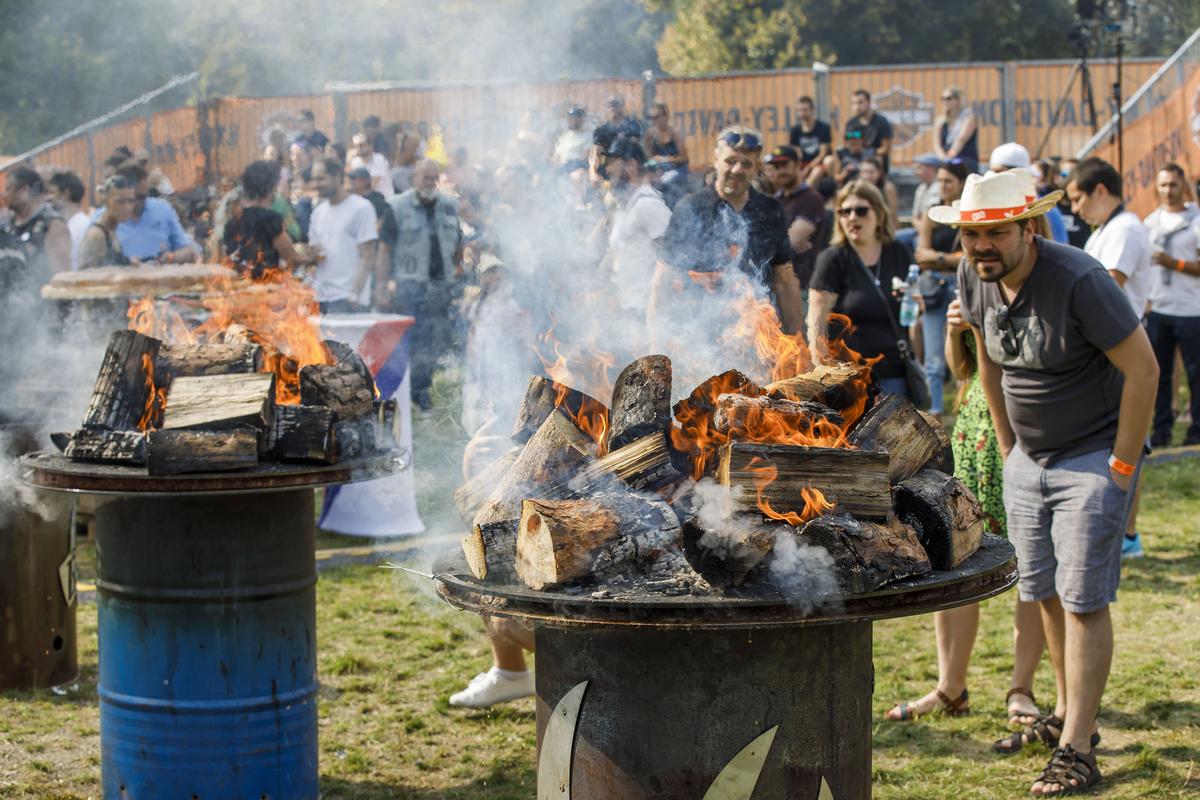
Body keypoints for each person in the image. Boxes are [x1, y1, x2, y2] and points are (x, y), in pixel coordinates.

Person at [942, 170, 1157, 795]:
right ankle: (1065, 716)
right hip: (1028, 461)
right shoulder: (971, 274)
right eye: (969, 234)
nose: (981, 246)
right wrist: (1011, 451)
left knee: (1085, 596)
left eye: (995, 233)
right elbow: (986, 359)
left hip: (1092, 454)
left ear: (1028, 229)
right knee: (1044, 592)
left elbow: (1143, 372)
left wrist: (1119, 467)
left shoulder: (1080, 279)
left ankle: (1079, 749)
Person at [886, 294, 1048, 729]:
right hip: (978, 433)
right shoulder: (973, 289)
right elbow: (963, 371)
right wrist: (957, 332)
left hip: (1026, 434)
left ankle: (1021, 689)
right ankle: (950, 687)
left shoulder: (1041, 294)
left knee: (1032, 567)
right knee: (956, 556)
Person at [648, 126, 803, 346]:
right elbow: (663, 282)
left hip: (757, 340)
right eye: (730, 161)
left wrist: (798, 342)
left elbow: (785, 281)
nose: (737, 169)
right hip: (701, 344)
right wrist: (656, 348)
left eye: (747, 163)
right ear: (716, 160)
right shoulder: (690, 208)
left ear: (757, 167)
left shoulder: (770, 211)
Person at [808, 180, 915, 398]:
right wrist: (821, 373)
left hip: (895, 373)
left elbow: (911, 313)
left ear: (879, 214)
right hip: (851, 380)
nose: (853, 217)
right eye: (845, 211)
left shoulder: (898, 252)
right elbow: (816, 324)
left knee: (898, 432)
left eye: (861, 210)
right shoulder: (833, 259)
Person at [381, 158, 462, 410]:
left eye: (433, 177)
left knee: (436, 340)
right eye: (425, 177)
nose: (429, 182)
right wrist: (382, 287)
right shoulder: (396, 207)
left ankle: (422, 391)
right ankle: (408, 393)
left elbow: (458, 239)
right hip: (410, 285)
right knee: (415, 340)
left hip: (440, 284)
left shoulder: (449, 205)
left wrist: (457, 268)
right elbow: (384, 249)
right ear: (414, 177)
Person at [1143, 163, 1200, 449]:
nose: (1168, 190)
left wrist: (1173, 263)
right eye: (1163, 184)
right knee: (1159, 375)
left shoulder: (1196, 220)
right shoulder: (1150, 222)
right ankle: (1161, 430)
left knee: (1195, 375)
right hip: (1159, 309)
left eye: (1173, 185)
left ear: (1183, 187)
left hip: (1191, 309)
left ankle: (1197, 431)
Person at [913, 159, 975, 419]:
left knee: (969, 348)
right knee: (934, 351)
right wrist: (949, 258)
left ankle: (968, 405)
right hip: (935, 287)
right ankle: (936, 408)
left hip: (964, 283)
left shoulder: (970, 213)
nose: (942, 185)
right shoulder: (932, 213)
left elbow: (971, 257)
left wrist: (937, 257)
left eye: (948, 180)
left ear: (961, 183)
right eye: (939, 180)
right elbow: (920, 254)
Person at [1068, 157, 1152, 319]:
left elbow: (1105, 292)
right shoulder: (1109, 227)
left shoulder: (1124, 228)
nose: (1074, 209)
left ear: (1100, 191)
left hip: (1114, 338)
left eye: (1077, 199)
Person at [608, 140, 672, 352]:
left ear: (631, 165)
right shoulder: (631, 205)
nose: (607, 170)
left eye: (612, 163)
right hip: (631, 306)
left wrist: (656, 310)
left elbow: (670, 256)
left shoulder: (649, 204)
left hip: (647, 308)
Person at [306, 156, 378, 314]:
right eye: (314, 179)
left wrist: (354, 295)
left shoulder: (361, 208)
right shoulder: (318, 212)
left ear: (337, 176)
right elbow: (315, 253)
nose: (316, 184)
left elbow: (368, 256)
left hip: (347, 298)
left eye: (321, 179)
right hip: (322, 297)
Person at [224, 160, 312, 276]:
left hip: (241, 287)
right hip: (267, 286)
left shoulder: (232, 222)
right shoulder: (271, 219)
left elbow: (227, 261)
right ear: (271, 188)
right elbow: (293, 259)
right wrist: (310, 258)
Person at [102, 163, 196, 263]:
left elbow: (189, 250)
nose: (139, 202)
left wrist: (169, 258)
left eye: (143, 197)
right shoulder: (103, 218)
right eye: (132, 198)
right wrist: (126, 263)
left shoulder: (162, 209)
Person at [763, 145, 824, 288]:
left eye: (785, 165)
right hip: (776, 285)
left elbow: (792, 242)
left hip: (802, 285)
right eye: (776, 167)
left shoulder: (810, 199)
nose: (781, 171)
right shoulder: (775, 201)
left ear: (797, 165)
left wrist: (773, 243)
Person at [990, 143, 1068, 244]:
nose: (992, 176)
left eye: (998, 171)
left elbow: (1061, 252)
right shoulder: (990, 207)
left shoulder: (1048, 211)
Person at [2, 166, 71, 279]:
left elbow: (63, 276)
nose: (3, 195)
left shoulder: (52, 225)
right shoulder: (9, 226)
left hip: (40, 294)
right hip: (14, 295)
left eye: (8, 189)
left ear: (24, 189)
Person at [78, 176, 137, 268]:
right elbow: (84, 276)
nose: (127, 207)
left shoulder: (112, 229)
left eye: (130, 201)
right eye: (120, 201)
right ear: (105, 202)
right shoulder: (96, 235)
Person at [896, 153, 944, 248]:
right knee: (892, 238)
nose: (916, 172)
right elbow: (915, 218)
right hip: (918, 230)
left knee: (918, 243)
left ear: (931, 168)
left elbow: (934, 221)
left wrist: (925, 229)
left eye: (919, 168)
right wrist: (923, 227)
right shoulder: (920, 188)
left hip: (934, 232)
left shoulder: (941, 187)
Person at [47, 171, 90, 271]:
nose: (47, 198)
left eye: (52, 192)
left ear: (66, 194)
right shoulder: (60, 224)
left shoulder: (84, 226)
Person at [845, 89, 893, 172]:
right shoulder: (851, 123)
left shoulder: (881, 122)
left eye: (860, 102)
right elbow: (847, 145)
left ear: (869, 102)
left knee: (877, 160)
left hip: (874, 160)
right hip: (855, 159)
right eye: (854, 103)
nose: (857, 106)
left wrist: (868, 155)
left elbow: (885, 149)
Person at [933, 85, 978, 171]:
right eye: (943, 98)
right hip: (946, 159)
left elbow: (961, 139)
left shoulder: (968, 116)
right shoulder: (940, 120)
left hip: (964, 158)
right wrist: (944, 159)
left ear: (958, 100)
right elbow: (936, 145)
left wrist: (950, 156)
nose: (945, 101)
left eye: (948, 98)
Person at [643, 102, 689, 184]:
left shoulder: (676, 134)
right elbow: (648, 157)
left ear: (666, 117)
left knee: (669, 179)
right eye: (652, 118)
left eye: (657, 117)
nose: (654, 121)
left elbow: (684, 158)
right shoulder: (650, 135)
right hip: (660, 171)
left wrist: (666, 159)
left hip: (677, 170)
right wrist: (654, 160)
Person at [789, 95, 832, 182]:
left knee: (817, 171)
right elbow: (795, 154)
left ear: (812, 110)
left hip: (819, 164)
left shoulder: (823, 128)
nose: (803, 113)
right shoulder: (795, 130)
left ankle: (806, 193)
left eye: (805, 109)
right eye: (800, 110)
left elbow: (823, 154)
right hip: (802, 163)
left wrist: (808, 168)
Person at [1052, 158, 1092, 249]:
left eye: (1075, 178)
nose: (1070, 182)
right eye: (1066, 176)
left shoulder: (1090, 209)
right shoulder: (1047, 208)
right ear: (1056, 178)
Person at [349, 133, 394, 198]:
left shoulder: (379, 159)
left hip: (384, 199)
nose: (358, 148)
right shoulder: (355, 161)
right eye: (355, 146)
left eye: (361, 145)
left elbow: (373, 184)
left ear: (370, 146)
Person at [858, 156, 899, 224]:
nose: (868, 176)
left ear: (879, 172)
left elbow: (893, 214)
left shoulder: (888, 188)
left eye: (871, 172)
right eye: (865, 172)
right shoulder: (857, 190)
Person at [553, 106, 592, 172]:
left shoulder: (588, 137)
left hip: (576, 167)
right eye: (569, 118)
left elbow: (586, 157)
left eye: (572, 118)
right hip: (561, 168)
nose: (569, 120)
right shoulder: (564, 136)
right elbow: (556, 154)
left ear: (579, 119)